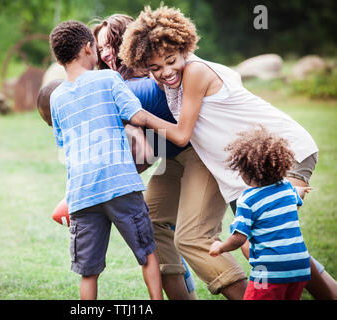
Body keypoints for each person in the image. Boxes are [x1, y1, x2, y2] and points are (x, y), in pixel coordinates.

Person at [119, 5, 337, 299]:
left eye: (170, 61)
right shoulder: (178, 80)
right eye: (155, 68)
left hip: (285, 150)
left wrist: (140, 116)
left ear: (185, 47)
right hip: (245, 172)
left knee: (273, 242)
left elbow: (182, 134)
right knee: (277, 244)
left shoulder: (195, 71)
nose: (165, 72)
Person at [93, 14, 248, 299]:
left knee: (195, 238)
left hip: (204, 153)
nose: (107, 54)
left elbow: (168, 138)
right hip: (174, 159)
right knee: (151, 222)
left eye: (112, 45)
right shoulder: (135, 83)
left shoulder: (145, 84)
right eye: (100, 48)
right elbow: (146, 154)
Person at [48, 20, 163, 300]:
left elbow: (63, 143)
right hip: (120, 185)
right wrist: (173, 128)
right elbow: (137, 116)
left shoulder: (56, 97)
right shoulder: (109, 79)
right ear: (89, 48)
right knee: (147, 254)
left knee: (89, 271)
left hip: (82, 193)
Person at [209, 126, 311, 300]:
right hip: (299, 267)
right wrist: (302, 190)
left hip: (268, 271)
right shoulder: (286, 188)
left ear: (244, 170)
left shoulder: (248, 200)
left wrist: (220, 247)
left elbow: (239, 238)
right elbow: (296, 193)